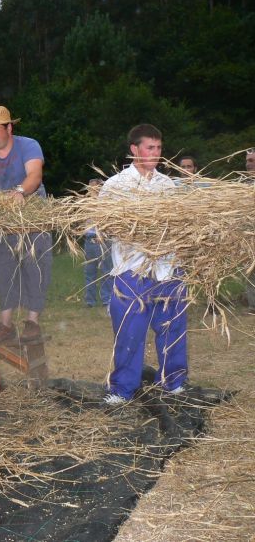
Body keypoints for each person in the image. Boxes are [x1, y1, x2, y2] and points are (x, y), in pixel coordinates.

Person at [99, 124, 188, 404]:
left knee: (172, 327)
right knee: (129, 332)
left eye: (159, 148)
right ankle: (123, 389)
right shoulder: (115, 186)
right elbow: (103, 226)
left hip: (166, 268)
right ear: (134, 150)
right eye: (150, 147)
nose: (156, 153)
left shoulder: (167, 186)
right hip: (131, 269)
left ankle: (173, 382)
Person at [0, 105, 52, 344]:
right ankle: (6, 324)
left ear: (9, 128)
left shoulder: (28, 146)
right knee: (4, 270)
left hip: (33, 218)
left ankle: (32, 322)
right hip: (2, 223)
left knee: (36, 268)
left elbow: (34, 176)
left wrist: (19, 192)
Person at [83, 179, 113, 308]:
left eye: (93, 188)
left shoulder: (107, 204)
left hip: (103, 240)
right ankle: (90, 300)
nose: (91, 191)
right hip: (89, 240)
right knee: (89, 272)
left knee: (106, 272)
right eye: (89, 188)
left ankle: (106, 299)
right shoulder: (86, 204)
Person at [245, 149, 255, 312]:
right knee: (250, 269)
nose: (248, 164)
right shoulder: (243, 183)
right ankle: (253, 304)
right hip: (248, 234)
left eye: (252, 161)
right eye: (247, 160)